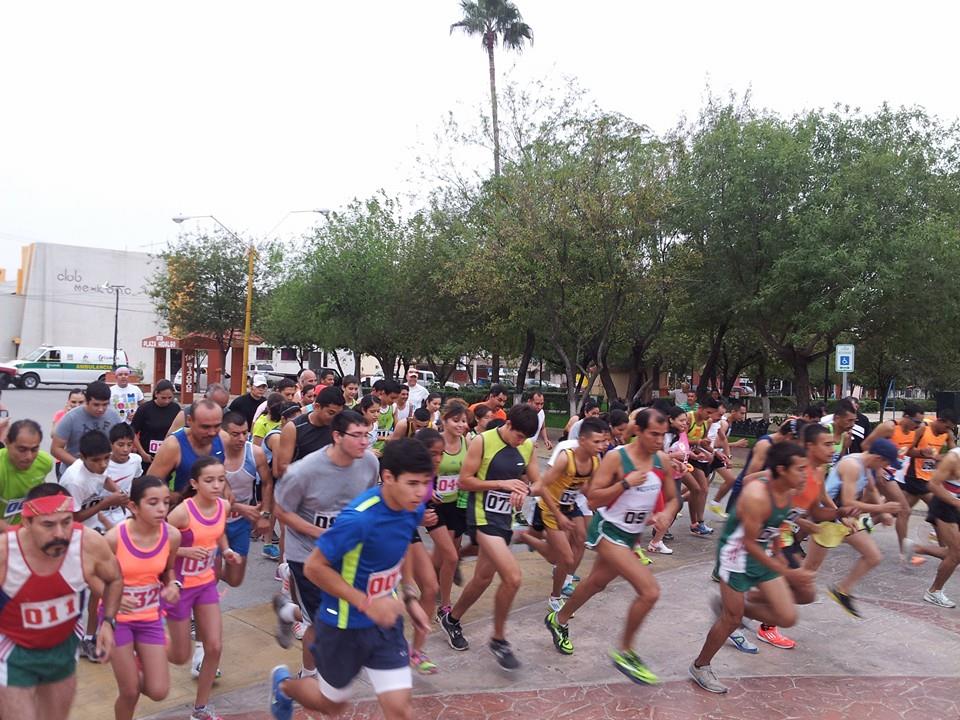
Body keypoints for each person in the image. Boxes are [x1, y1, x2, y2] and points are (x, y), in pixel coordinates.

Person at [269, 437, 434, 720]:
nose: (421, 493)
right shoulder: (358, 519)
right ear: (388, 477)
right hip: (343, 626)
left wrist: (408, 593)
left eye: (425, 482)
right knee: (332, 705)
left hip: (386, 625)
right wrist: (367, 603)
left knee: (401, 712)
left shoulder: (411, 507)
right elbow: (314, 568)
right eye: (413, 483)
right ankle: (283, 686)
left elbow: (403, 541)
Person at [544, 410, 677, 684]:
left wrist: (665, 513)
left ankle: (559, 619)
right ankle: (625, 652)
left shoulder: (662, 460)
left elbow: (674, 499)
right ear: (637, 430)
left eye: (663, 435)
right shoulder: (618, 457)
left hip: (630, 535)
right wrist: (625, 483)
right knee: (649, 591)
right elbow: (592, 498)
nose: (659, 440)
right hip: (608, 531)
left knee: (596, 583)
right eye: (654, 434)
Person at [689, 442, 815, 694]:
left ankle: (738, 608)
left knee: (787, 616)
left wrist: (780, 556)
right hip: (737, 557)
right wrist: (788, 571)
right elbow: (748, 542)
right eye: (800, 469)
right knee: (731, 619)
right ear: (782, 469)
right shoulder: (758, 495)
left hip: (762, 553)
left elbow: (776, 528)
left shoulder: (787, 490)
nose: (805, 474)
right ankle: (701, 665)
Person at [272, 410, 380, 681]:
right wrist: (320, 533)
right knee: (321, 622)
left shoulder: (369, 463)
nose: (364, 442)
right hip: (307, 554)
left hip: (346, 554)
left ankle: (287, 612)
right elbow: (281, 511)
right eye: (357, 436)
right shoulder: (304, 470)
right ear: (337, 436)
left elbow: (368, 500)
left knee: (340, 612)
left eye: (367, 435)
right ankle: (308, 675)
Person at [0, 483, 122, 720]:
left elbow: (115, 579)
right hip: (13, 651)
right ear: (26, 523)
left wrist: (108, 622)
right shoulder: (5, 551)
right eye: (48, 524)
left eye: (66, 522)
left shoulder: (88, 543)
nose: (59, 533)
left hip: (63, 647)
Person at [439, 404, 541, 670]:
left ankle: (452, 619)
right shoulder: (483, 441)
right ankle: (498, 639)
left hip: (503, 518)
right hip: (481, 515)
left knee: (483, 578)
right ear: (507, 425)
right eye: (518, 436)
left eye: (525, 439)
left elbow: (538, 481)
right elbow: (465, 481)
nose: (520, 442)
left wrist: (526, 491)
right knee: (513, 577)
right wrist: (501, 484)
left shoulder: (527, 446)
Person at [164, 456, 240, 720]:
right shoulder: (182, 512)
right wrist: (184, 550)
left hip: (206, 583)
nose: (217, 485)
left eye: (221, 479)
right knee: (179, 654)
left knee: (215, 647)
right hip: (179, 586)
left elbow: (218, 531)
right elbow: (158, 541)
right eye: (209, 480)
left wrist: (226, 550)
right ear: (195, 483)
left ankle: (200, 709)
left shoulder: (223, 506)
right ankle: (146, 645)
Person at [104, 475, 181, 720]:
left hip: (149, 617)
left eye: (166, 502)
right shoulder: (115, 539)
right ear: (133, 507)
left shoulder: (172, 536)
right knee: (129, 692)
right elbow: (93, 578)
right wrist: (109, 599)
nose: (161, 509)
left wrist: (174, 584)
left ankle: (136, 665)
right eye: (153, 503)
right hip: (119, 620)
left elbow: (168, 570)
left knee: (158, 691)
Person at [807, 439, 905, 618]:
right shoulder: (853, 465)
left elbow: (872, 488)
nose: (886, 467)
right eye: (886, 463)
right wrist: (881, 509)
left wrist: (883, 513)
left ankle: (842, 590)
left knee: (873, 556)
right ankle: (766, 605)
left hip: (845, 520)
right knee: (807, 573)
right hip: (828, 518)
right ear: (878, 457)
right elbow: (848, 502)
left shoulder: (867, 464)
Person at [521, 417, 608, 612]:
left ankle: (530, 540)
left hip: (570, 507)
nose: (602, 446)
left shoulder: (595, 461)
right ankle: (555, 597)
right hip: (551, 509)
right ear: (582, 440)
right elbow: (543, 485)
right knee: (564, 559)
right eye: (597, 442)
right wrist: (556, 514)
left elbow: (586, 487)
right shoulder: (565, 458)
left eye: (604, 441)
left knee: (579, 541)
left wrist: (604, 499)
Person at [59, 430, 128, 659]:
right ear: (82, 456)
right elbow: (74, 518)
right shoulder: (74, 481)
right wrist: (107, 502)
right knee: (85, 587)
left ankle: (91, 635)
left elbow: (104, 478)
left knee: (101, 585)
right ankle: (74, 636)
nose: (103, 464)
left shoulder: (101, 464)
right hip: (73, 534)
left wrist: (116, 491)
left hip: (94, 530)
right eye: (96, 460)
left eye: (106, 458)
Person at [425, 401, 471, 622]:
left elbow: (471, 470)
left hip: (457, 504)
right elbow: (420, 469)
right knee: (451, 557)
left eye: (463, 421)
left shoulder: (467, 442)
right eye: (456, 420)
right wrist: (427, 490)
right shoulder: (434, 442)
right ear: (444, 420)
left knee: (442, 555)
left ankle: (431, 586)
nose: (461, 425)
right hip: (435, 505)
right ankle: (445, 605)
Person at [862, 403, 925, 561]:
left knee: (860, 504)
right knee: (904, 510)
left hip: (892, 473)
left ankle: (853, 521)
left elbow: (906, 451)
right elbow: (865, 445)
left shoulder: (913, 431)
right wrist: (878, 469)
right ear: (906, 417)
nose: (919, 426)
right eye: (917, 422)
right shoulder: (889, 427)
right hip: (880, 472)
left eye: (921, 423)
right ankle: (905, 553)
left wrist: (922, 452)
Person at [221, 412, 274, 584]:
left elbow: (267, 483)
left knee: (235, 580)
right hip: (214, 521)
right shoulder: (214, 454)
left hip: (240, 522)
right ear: (222, 432)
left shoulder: (255, 453)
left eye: (245, 433)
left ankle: (210, 573)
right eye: (235, 434)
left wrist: (265, 515)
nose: (242, 438)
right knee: (209, 578)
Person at [903, 447, 960, 607]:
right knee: (956, 554)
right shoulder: (954, 458)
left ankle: (916, 548)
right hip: (945, 506)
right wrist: (956, 503)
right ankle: (934, 592)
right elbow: (933, 485)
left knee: (953, 552)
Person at [149, 399, 226, 496]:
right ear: (189, 421)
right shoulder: (173, 446)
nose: (212, 432)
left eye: (217, 426)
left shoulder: (223, 438)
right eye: (205, 427)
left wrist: (227, 489)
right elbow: (150, 486)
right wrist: (178, 499)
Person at [51, 381, 123, 474]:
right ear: (87, 401)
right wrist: (82, 466)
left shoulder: (114, 417)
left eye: (105, 404)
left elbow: (119, 443)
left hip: (104, 474)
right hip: (74, 474)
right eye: (96, 404)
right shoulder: (71, 418)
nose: (101, 409)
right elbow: (56, 449)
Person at [272, 386, 345, 478]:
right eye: (331, 413)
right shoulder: (293, 428)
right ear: (317, 407)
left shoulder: (339, 427)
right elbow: (282, 468)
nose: (335, 418)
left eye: (338, 414)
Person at [0, 420, 54, 529]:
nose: (29, 456)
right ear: (7, 443)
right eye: (22, 449)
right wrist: (15, 534)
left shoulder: (45, 462)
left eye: (34, 449)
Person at [97, 423, 145, 532]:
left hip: (123, 514)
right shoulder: (102, 464)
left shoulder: (136, 460)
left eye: (129, 445)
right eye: (121, 444)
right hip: (100, 515)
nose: (125, 449)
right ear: (111, 444)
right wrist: (108, 525)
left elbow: (135, 482)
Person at [131, 380, 180, 472]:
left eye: (170, 398)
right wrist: (142, 453)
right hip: (147, 454)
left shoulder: (175, 409)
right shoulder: (144, 409)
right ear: (156, 394)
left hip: (167, 454)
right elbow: (132, 431)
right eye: (163, 398)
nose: (167, 401)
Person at [166, 384, 230, 436]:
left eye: (223, 407)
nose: (219, 410)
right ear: (205, 398)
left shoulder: (228, 415)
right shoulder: (186, 413)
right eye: (214, 406)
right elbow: (169, 438)